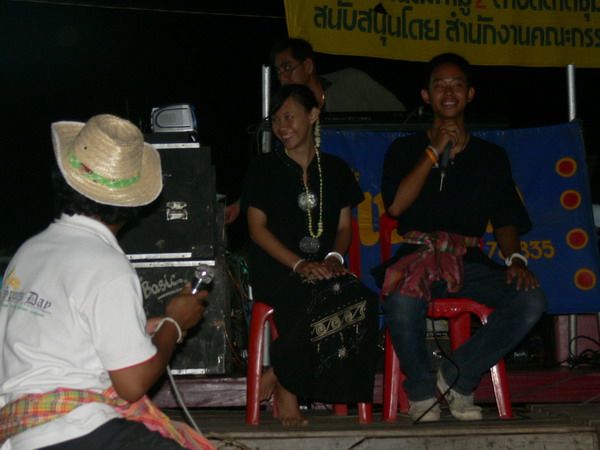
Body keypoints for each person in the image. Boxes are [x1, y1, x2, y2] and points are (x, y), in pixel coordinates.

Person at [0, 114, 214, 449]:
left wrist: (140, 328)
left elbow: (59, 334)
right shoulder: (106, 264)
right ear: (134, 202)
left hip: (23, 432)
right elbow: (132, 385)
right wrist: (174, 325)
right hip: (75, 430)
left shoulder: (30, 250)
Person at [379, 53, 547, 422]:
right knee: (401, 301)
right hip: (417, 255)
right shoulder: (403, 149)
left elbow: (505, 217)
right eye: (439, 85)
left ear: (470, 94)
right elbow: (395, 206)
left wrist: (516, 259)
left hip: (467, 259)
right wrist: (433, 150)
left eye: (457, 85)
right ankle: (421, 392)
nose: (448, 92)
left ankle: (459, 377)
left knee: (530, 299)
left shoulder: (490, 156)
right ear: (426, 96)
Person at [241, 84, 379, 426]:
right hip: (277, 267)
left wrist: (334, 258)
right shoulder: (263, 168)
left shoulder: (335, 168)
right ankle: (289, 390)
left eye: (289, 117)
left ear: (313, 115)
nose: (282, 126)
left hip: (324, 266)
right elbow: (256, 229)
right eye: (276, 120)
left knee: (362, 298)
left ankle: (280, 371)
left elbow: (344, 228)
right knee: (306, 296)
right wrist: (300, 264)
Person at [270, 38, 405, 113]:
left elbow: (398, 113)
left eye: (287, 68)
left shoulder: (351, 82)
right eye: (278, 72)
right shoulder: (287, 109)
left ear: (308, 66)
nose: (282, 78)